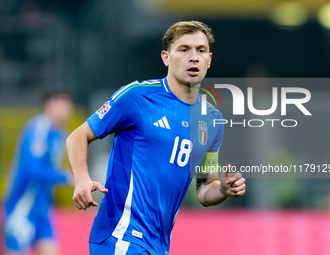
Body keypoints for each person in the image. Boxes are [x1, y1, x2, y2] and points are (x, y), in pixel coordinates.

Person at [66, 21, 246, 255]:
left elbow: (204, 188)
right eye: (183, 49)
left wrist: (222, 189)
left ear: (209, 59)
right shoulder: (138, 97)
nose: (194, 57)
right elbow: (78, 136)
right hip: (121, 237)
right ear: (166, 57)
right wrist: (81, 179)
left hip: (158, 245)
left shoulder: (212, 120)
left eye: (200, 50)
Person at [3, 89, 74, 255]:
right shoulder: (38, 127)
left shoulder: (59, 132)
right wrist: (66, 177)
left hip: (42, 207)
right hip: (23, 205)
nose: (67, 110)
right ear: (49, 105)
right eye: (63, 105)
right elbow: (32, 169)